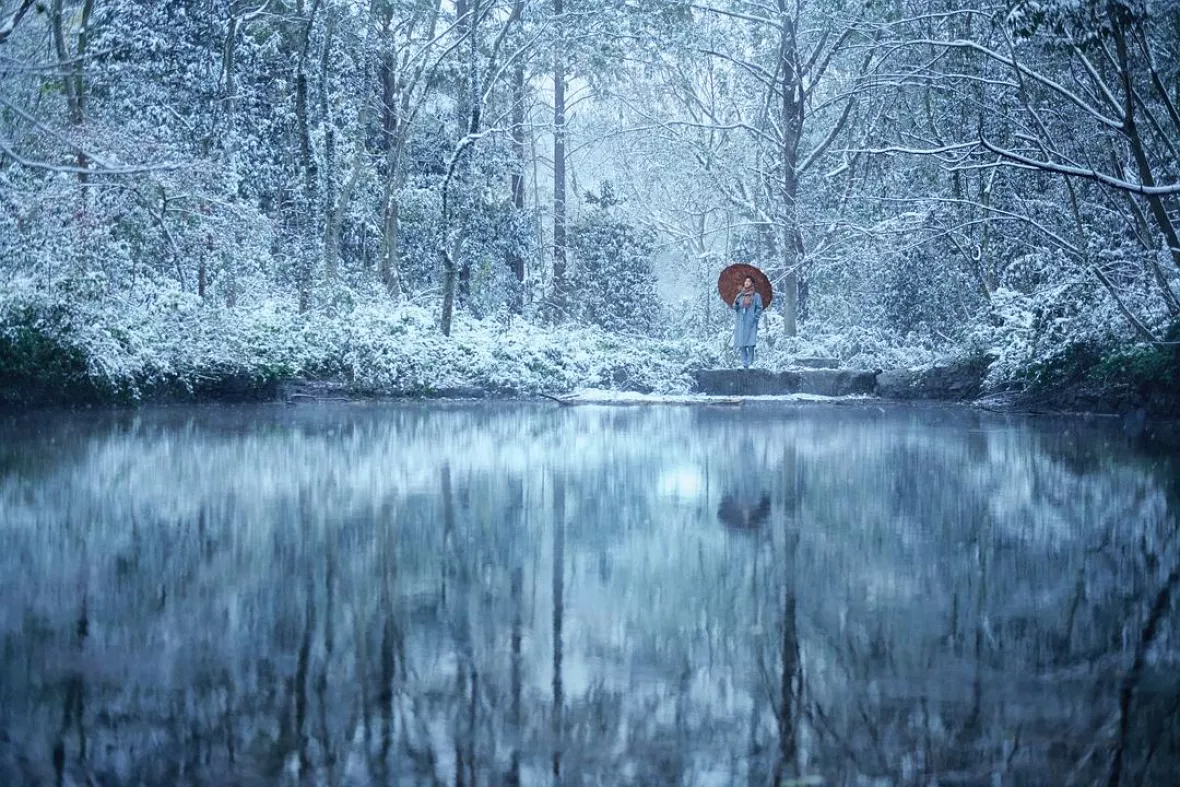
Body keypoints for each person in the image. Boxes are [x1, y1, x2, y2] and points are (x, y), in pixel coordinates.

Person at [732, 275, 763, 368]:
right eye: (745, 281)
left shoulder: (756, 296)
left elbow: (759, 307)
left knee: (750, 343)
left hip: (751, 322)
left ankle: (750, 363)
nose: (746, 283)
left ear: (752, 283)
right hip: (741, 322)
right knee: (741, 344)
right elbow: (735, 306)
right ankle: (744, 363)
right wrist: (736, 304)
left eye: (749, 281)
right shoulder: (739, 295)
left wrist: (755, 317)